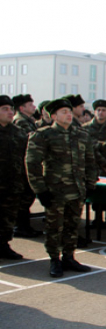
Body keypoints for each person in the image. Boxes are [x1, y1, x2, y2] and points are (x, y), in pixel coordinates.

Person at [25, 98, 98, 277]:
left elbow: (90, 161)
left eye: (69, 111)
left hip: (77, 189)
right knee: (54, 227)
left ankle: (69, 257)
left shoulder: (81, 135)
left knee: (72, 226)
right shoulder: (43, 135)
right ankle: (54, 259)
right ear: (54, 116)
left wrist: (90, 183)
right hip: (55, 191)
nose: (68, 115)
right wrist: (40, 190)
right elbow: (32, 163)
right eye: (63, 112)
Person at [0, 96, 29, 259]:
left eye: (11, 109)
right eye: (5, 109)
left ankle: (3, 244)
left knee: (8, 218)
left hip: (13, 184)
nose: (10, 112)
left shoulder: (18, 133)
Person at [11, 94, 42, 238]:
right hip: (22, 165)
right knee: (24, 198)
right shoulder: (21, 121)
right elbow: (29, 140)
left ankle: (23, 226)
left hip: (26, 163)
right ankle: (20, 227)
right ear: (22, 108)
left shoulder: (27, 120)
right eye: (30, 105)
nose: (34, 107)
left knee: (27, 197)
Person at [83, 99, 106, 228]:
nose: (100, 113)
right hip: (93, 165)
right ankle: (97, 218)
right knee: (95, 192)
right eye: (98, 110)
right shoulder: (86, 128)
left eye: (103, 110)